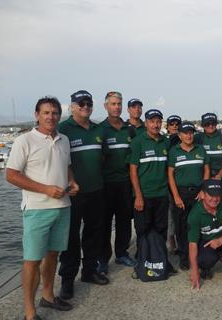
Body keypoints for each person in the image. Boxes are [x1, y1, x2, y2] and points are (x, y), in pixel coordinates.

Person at [6, 96, 79, 320]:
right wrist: (45, 189)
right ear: (37, 115)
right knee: (32, 260)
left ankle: (48, 296)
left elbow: (66, 167)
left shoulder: (64, 140)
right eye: (46, 112)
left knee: (52, 255)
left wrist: (72, 182)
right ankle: (30, 312)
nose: (51, 116)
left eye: (55, 112)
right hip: (37, 209)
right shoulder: (25, 140)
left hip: (63, 207)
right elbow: (11, 175)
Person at [58, 90, 109, 300]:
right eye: (81, 104)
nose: (85, 107)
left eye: (88, 103)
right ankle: (67, 280)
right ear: (72, 106)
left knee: (93, 234)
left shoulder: (98, 130)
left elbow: (103, 158)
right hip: (73, 194)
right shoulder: (63, 129)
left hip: (96, 191)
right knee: (71, 239)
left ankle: (89, 271)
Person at [97, 91, 136, 276]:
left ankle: (122, 253)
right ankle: (103, 260)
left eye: (119, 104)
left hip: (125, 183)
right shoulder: (100, 130)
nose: (117, 107)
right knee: (104, 224)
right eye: (113, 104)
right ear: (106, 106)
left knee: (124, 222)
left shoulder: (129, 129)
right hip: (106, 184)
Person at [128, 109, 173, 266]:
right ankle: (142, 261)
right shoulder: (138, 142)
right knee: (143, 230)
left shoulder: (165, 142)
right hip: (144, 196)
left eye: (158, 121)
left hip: (161, 194)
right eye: (152, 121)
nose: (156, 124)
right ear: (146, 123)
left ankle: (161, 260)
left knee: (161, 229)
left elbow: (169, 170)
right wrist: (138, 195)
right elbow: (133, 171)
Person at [168, 121, 210, 270]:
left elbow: (206, 170)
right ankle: (184, 257)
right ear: (179, 135)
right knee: (181, 227)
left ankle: (199, 255)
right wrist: (176, 196)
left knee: (199, 225)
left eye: (191, 132)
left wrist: (204, 189)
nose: (189, 135)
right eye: (185, 133)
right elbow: (170, 175)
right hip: (181, 193)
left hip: (199, 192)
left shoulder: (200, 150)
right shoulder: (174, 151)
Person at [195, 113, 222, 191]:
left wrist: (219, 176)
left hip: (221, 177)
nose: (210, 126)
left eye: (213, 123)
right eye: (207, 124)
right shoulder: (197, 138)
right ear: (203, 125)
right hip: (202, 177)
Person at [165, 114, 182, 253]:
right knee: (171, 214)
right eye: (172, 124)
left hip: (183, 183)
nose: (175, 126)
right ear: (168, 127)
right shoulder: (165, 142)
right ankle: (172, 243)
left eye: (177, 124)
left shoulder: (186, 140)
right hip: (169, 183)